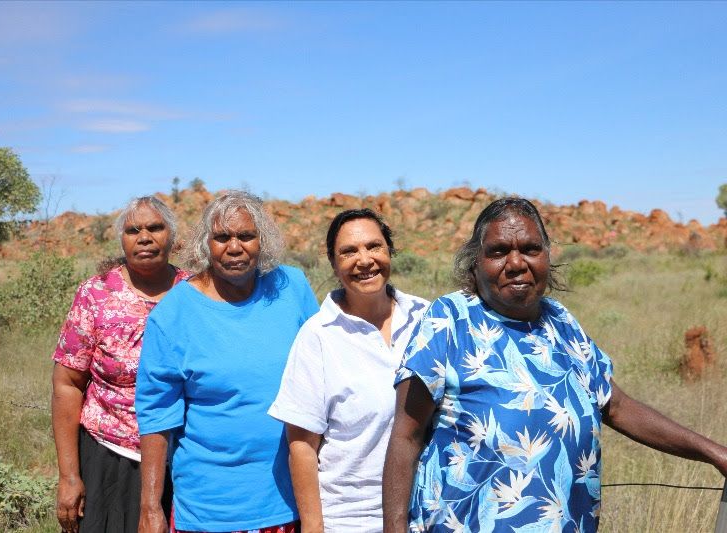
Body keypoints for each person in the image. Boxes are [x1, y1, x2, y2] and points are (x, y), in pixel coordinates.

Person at [382, 197, 727, 532]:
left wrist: (715, 453)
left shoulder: (560, 322)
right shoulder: (450, 321)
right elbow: (406, 436)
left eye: (530, 249)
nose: (516, 263)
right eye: (499, 251)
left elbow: (617, 406)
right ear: (476, 262)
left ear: (547, 256)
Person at [135, 190, 320, 533]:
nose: (234, 247)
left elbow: (324, 369)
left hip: (293, 500)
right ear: (206, 244)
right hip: (212, 509)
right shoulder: (173, 315)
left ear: (261, 240)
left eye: (246, 236)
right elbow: (156, 414)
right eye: (222, 237)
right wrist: (150, 508)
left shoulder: (290, 286)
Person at [269, 209, 428, 532]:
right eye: (349, 251)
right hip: (353, 520)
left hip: (426, 513)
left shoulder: (426, 318)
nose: (364, 260)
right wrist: (313, 527)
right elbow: (301, 445)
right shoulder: (318, 336)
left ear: (389, 251)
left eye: (374, 246)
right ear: (332, 262)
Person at [52, 196, 188, 533]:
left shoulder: (194, 292)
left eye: (155, 227)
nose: (144, 237)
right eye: (133, 230)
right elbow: (67, 384)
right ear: (122, 239)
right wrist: (69, 476)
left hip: (181, 457)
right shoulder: (95, 294)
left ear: (170, 236)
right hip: (107, 455)